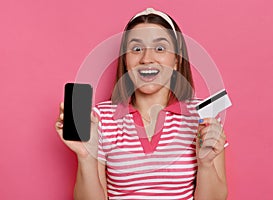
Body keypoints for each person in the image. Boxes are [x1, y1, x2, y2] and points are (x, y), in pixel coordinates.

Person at [55, 8, 228, 200]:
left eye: (160, 49)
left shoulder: (201, 116)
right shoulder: (100, 119)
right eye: (136, 49)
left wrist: (206, 165)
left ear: (176, 60)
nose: (146, 59)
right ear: (126, 60)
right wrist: (86, 157)